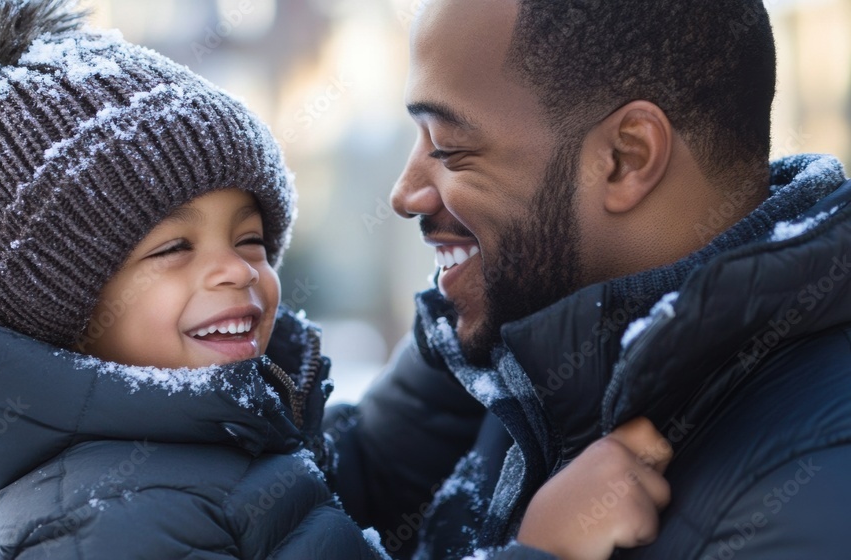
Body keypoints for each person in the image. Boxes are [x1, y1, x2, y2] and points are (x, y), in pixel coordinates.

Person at [0, 1, 674, 559]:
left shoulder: (208, 435)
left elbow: (354, 482)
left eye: (251, 238)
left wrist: (452, 344)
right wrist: (541, 548)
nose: (236, 270)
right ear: (60, 311)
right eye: (173, 249)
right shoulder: (98, 519)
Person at [325, 0, 851, 559]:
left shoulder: (817, 485)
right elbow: (310, 514)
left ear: (627, 157)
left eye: (449, 149)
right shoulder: (515, 342)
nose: (404, 195)